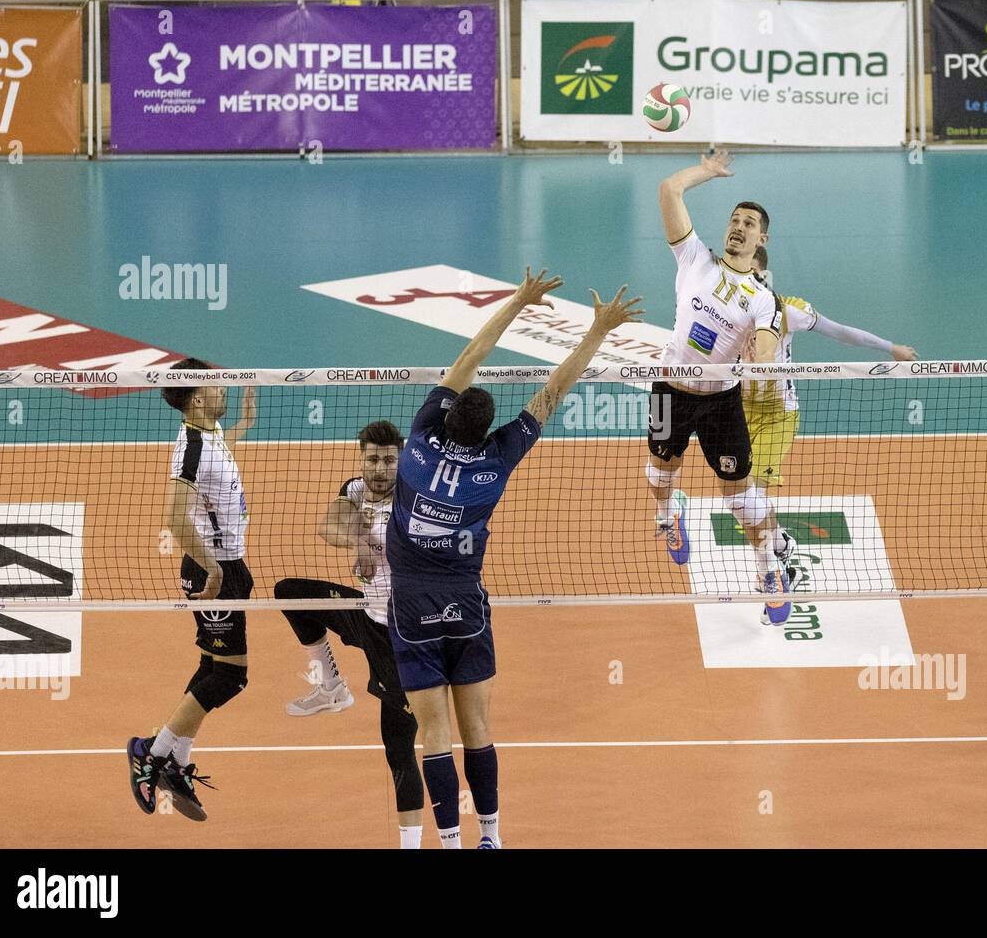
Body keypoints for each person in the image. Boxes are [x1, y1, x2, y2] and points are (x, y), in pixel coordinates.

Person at [388, 268, 643, 848]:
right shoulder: (499, 458)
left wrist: (519, 301)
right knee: (478, 728)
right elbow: (555, 389)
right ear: (487, 430)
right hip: (466, 607)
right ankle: (491, 837)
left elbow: (473, 353)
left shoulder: (421, 436)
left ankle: (448, 842)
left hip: (411, 606)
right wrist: (598, 329)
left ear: (448, 416)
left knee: (434, 735)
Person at [651, 148, 794, 625]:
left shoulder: (763, 299)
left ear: (762, 238)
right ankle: (670, 514)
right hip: (671, 390)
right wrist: (707, 172)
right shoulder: (694, 259)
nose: (739, 226)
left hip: (720, 402)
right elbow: (670, 189)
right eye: (735, 219)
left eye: (749, 222)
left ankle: (767, 567)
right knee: (658, 474)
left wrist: (763, 359)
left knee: (739, 495)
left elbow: (769, 345)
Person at [273, 420, 424, 848]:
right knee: (293, 595)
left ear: (402, 460)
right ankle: (332, 687)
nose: (380, 469)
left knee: (398, 746)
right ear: (362, 459)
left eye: (389, 460)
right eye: (373, 459)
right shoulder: (356, 488)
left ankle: (411, 844)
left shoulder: (414, 499)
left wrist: (374, 538)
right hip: (363, 612)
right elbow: (328, 525)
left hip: (401, 636)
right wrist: (359, 538)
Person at [127, 358, 256, 822]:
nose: (223, 386)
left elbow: (215, 465)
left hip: (229, 566)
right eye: (215, 384)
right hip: (212, 571)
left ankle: (177, 763)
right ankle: (150, 752)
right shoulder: (191, 449)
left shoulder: (209, 435)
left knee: (210, 665)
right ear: (197, 398)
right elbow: (177, 519)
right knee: (231, 676)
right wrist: (212, 571)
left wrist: (243, 424)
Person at [745, 244, 918, 493]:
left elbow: (840, 332)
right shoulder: (727, 310)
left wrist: (890, 347)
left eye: (753, 274)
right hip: (738, 408)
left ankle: (769, 532)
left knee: (755, 490)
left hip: (778, 412)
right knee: (737, 488)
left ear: (763, 275)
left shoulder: (787, 311)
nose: (747, 280)